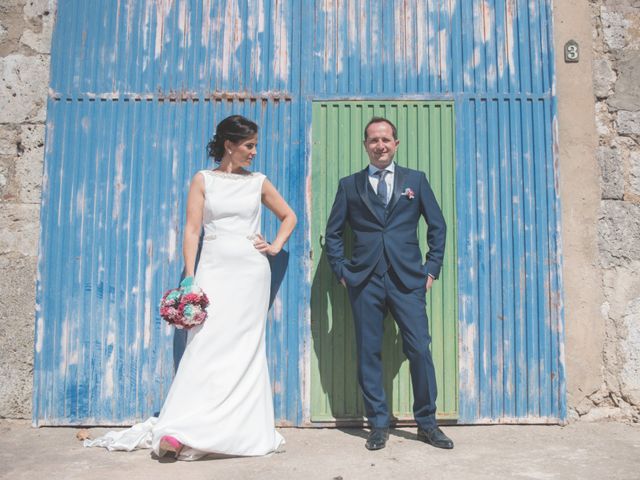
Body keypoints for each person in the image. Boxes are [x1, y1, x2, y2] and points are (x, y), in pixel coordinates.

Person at [85, 115, 297, 460]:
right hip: (212, 270)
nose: (254, 152)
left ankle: (238, 428)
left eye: (255, 145)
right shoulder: (203, 180)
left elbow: (289, 215)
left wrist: (274, 246)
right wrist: (189, 277)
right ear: (229, 145)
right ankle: (183, 427)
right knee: (205, 345)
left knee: (245, 349)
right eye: (249, 145)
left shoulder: (258, 181)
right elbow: (192, 230)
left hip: (250, 274)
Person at [324, 117, 453, 451]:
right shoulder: (349, 185)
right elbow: (334, 233)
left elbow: (437, 226)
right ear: (365, 146)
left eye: (385, 140)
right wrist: (341, 269)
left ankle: (427, 422)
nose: (379, 146)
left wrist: (431, 269)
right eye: (373, 140)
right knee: (369, 352)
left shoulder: (416, 181)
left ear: (396, 143)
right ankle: (378, 424)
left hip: (407, 279)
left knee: (419, 350)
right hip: (364, 280)